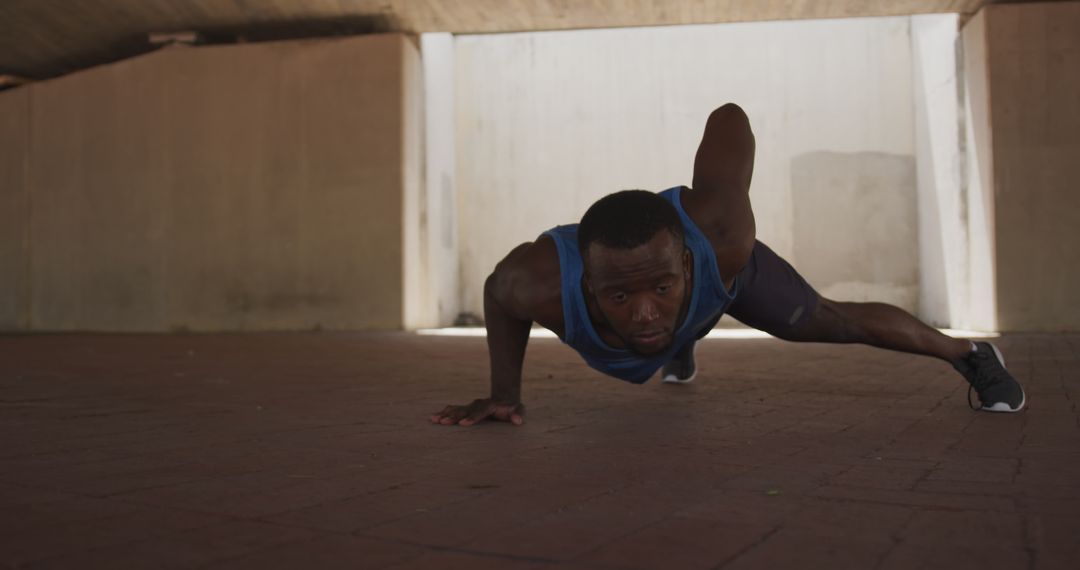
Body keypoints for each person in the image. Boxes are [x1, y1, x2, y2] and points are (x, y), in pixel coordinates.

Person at [430, 103, 1026, 427]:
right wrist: (503, 395)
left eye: (661, 286)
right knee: (664, 328)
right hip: (693, 297)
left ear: (688, 261)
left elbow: (731, 119)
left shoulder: (720, 235)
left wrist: (722, 114)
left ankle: (971, 356)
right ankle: (682, 343)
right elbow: (495, 294)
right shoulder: (530, 282)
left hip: (726, 286)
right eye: (617, 297)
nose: (642, 313)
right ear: (584, 282)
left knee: (831, 320)